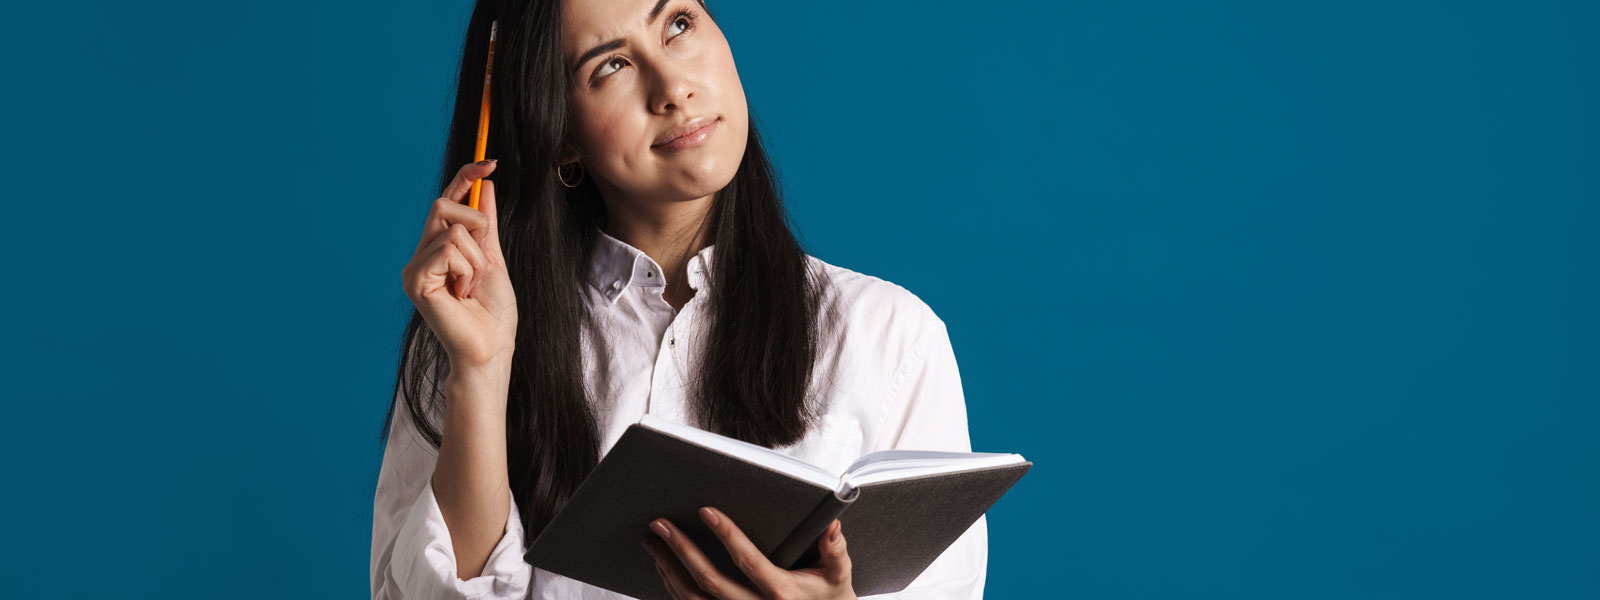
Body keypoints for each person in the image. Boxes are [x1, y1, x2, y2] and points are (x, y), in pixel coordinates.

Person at [370, 1, 984, 598]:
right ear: (560, 135)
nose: (672, 88)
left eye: (679, 24)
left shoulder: (890, 337)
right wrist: (480, 371)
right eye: (610, 65)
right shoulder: (462, 339)